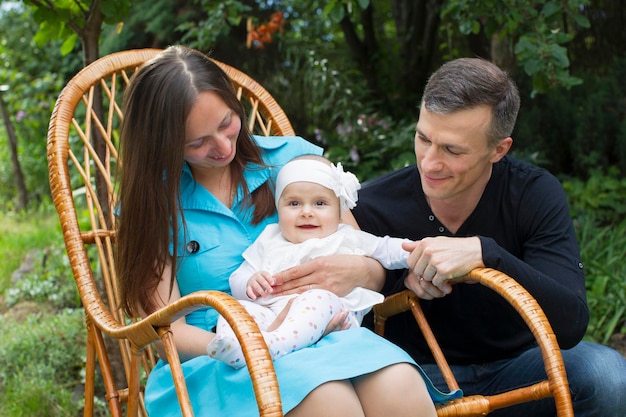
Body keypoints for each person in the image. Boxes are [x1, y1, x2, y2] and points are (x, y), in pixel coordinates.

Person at [115, 45, 453, 417]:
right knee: (330, 404)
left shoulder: (292, 163)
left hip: (323, 332)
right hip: (219, 355)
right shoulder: (154, 202)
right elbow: (166, 330)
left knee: (401, 386)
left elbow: (365, 263)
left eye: (227, 122)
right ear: (162, 144)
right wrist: (246, 345)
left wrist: (346, 283)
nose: (224, 146)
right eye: (198, 143)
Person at [349, 57, 626, 416]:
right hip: (416, 383)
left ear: (499, 149)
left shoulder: (533, 193)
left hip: (520, 369)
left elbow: (571, 323)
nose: (429, 163)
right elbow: (342, 322)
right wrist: (400, 280)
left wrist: (488, 253)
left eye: (452, 149)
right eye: (423, 138)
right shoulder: (372, 205)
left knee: (607, 376)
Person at [208, 154, 413, 368]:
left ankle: (272, 346)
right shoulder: (270, 238)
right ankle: (239, 345)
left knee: (318, 298)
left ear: (339, 212)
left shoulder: (346, 236)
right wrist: (251, 282)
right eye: (294, 203)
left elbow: (387, 248)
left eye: (320, 203)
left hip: (329, 318)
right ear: (279, 209)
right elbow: (237, 278)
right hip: (271, 314)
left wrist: (418, 251)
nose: (306, 212)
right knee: (238, 308)